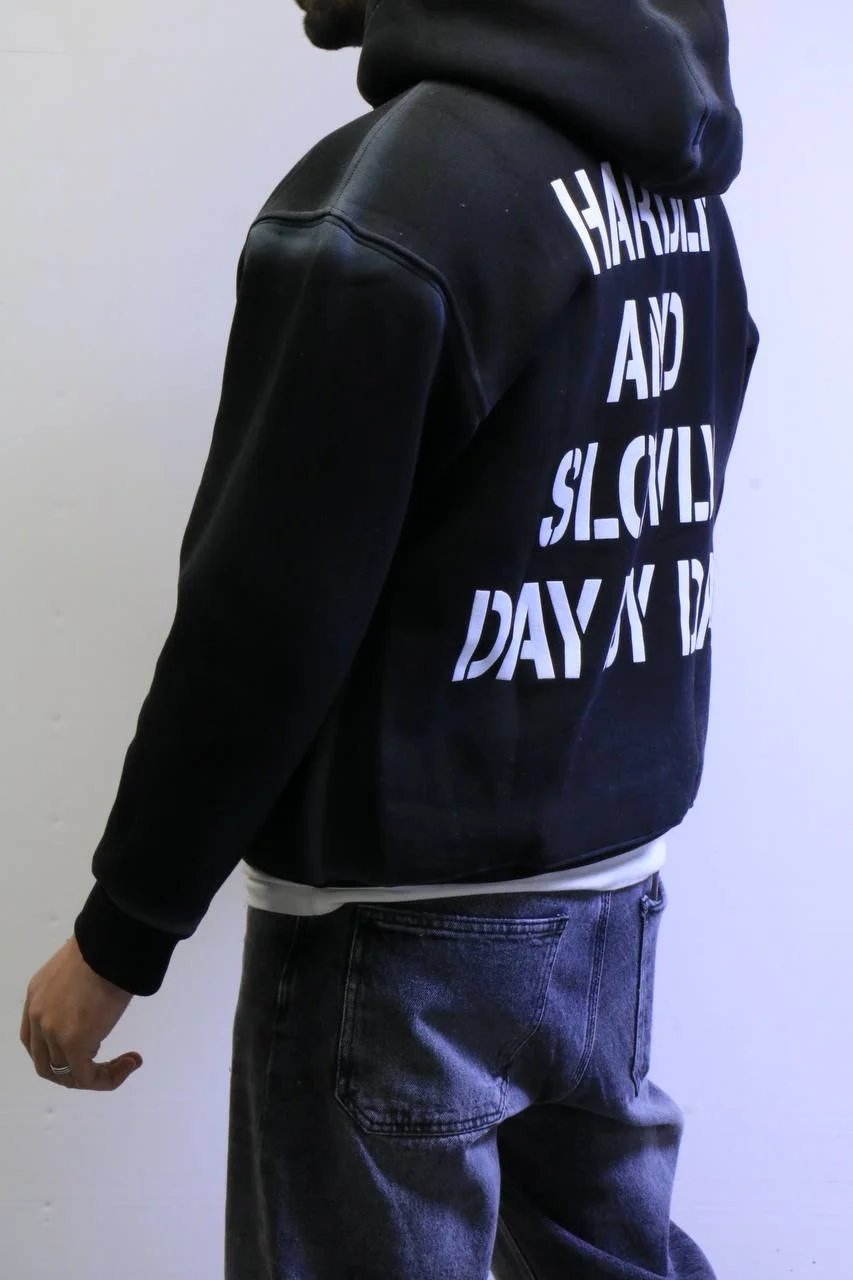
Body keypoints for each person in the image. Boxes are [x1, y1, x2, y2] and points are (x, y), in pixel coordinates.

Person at [22, 0, 758, 1276]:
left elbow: (260, 623)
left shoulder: (385, 211)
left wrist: (119, 933)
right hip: (607, 900)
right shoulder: (677, 194)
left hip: (392, 936)